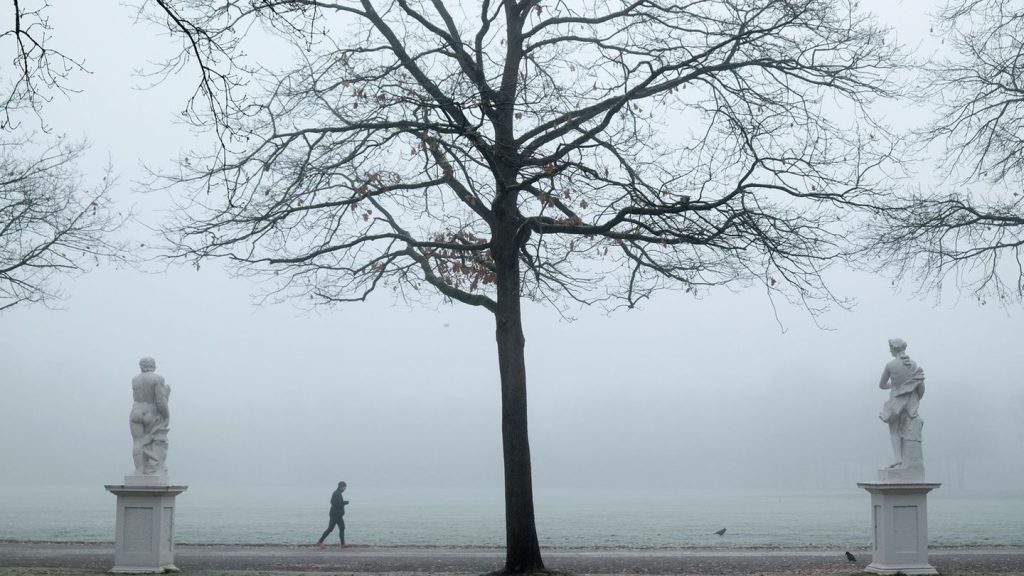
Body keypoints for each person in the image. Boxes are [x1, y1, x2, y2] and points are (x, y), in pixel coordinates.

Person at [877, 338, 925, 469]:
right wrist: (914, 396)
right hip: (911, 401)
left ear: (894, 348)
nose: (889, 350)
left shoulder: (890, 365)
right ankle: (908, 461)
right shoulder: (913, 364)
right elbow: (921, 387)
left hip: (896, 400)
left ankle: (898, 458)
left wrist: (893, 386)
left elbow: (881, 385)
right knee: (908, 428)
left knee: (894, 430)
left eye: (890, 348)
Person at [130, 357, 170, 476]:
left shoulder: (135, 380)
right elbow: (160, 401)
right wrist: (167, 415)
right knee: (157, 440)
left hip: (136, 412)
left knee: (137, 442)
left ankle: (139, 470)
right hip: (150, 412)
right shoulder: (158, 379)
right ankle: (156, 469)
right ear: (154, 366)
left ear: (141, 366)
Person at [316, 481, 349, 547]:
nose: (345, 489)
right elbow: (336, 504)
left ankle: (342, 544)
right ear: (341, 487)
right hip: (335, 515)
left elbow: (332, 502)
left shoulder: (337, 493)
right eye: (344, 487)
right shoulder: (336, 493)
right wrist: (345, 502)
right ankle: (319, 542)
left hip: (337, 515)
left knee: (341, 528)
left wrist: (342, 503)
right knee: (330, 529)